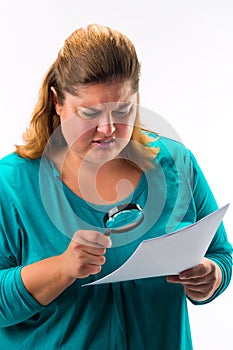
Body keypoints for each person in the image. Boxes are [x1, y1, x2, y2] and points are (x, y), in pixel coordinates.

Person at [0, 23, 232, 350]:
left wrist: (212, 277)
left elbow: (220, 255)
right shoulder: (10, 185)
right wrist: (62, 268)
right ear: (57, 101)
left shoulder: (175, 164)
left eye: (123, 110)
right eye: (90, 113)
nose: (107, 129)